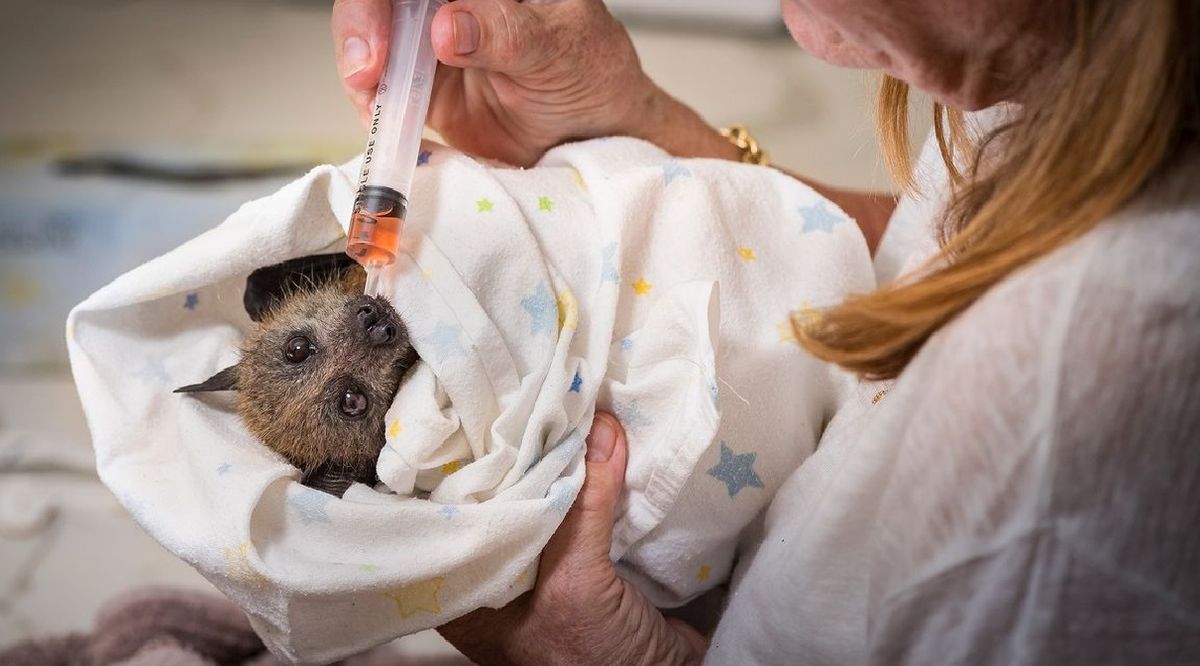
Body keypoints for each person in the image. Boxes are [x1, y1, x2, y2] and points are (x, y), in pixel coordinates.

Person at [330, 1, 1200, 663]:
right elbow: (947, 264)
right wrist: (642, 135)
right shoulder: (1086, 70)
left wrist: (623, 656)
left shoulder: (1074, 422)